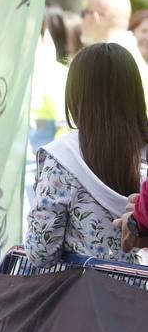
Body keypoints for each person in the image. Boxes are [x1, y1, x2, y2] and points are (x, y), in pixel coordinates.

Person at [26, 43, 148, 268]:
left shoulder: (62, 159)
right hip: (140, 297)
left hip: (83, 298)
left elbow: (41, 251)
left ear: (76, 94)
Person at [79, 0, 148, 108]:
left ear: (96, 17)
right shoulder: (130, 55)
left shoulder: (104, 60)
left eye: (85, 13)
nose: (82, 20)